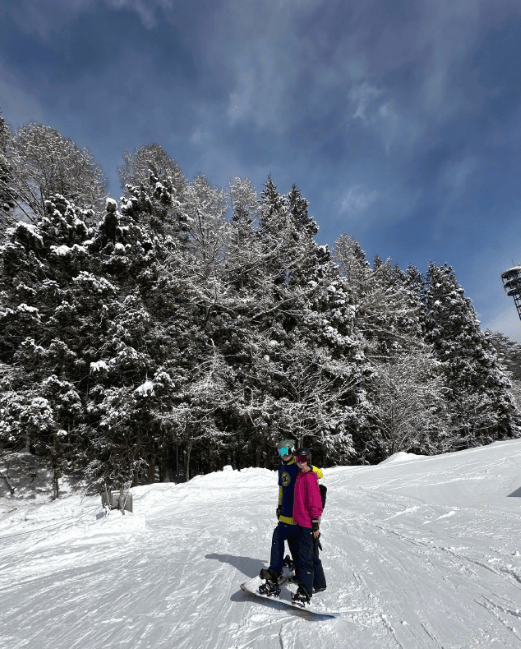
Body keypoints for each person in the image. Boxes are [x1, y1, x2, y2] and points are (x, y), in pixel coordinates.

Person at [259, 440, 323, 596]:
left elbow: (319, 473)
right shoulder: (282, 466)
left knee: (298, 548)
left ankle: (307, 577)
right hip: (285, 513)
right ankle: (274, 571)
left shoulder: (299, 463)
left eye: (287, 451)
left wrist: (307, 465)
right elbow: (282, 487)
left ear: (292, 451)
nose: (285, 455)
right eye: (281, 452)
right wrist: (279, 505)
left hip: (298, 516)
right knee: (277, 537)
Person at [291, 447, 326, 606]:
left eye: (303, 460)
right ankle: (319, 583)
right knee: (311, 555)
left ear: (308, 460)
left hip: (308, 523)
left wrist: (314, 523)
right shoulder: (300, 475)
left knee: (305, 558)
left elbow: (315, 503)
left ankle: (305, 592)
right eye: (298, 459)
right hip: (301, 521)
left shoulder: (309, 477)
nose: (300, 463)